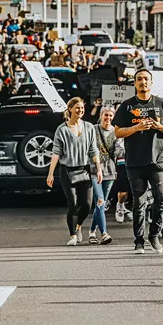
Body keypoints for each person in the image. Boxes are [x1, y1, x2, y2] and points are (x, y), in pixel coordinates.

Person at [113, 69, 163, 254]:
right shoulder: (126, 106)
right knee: (139, 203)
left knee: (161, 197)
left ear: (151, 82)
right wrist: (136, 127)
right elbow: (117, 132)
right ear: (134, 83)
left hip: (157, 161)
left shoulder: (161, 103)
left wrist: (159, 126)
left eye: (146, 79)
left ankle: (154, 235)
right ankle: (139, 240)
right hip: (134, 162)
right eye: (139, 79)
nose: (143, 82)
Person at [47, 97, 103, 246]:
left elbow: (93, 150)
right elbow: (56, 152)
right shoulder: (62, 129)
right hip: (67, 170)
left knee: (86, 204)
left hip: (85, 169)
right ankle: (72, 235)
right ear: (70, 109)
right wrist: (50, 173)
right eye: (77, 108)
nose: (80, 110)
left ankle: (78, 226)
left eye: (82, 108)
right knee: (73, 203)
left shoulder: (89, 127)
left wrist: (98, 169)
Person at [87, 107, 118, 245]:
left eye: (111, 115)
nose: (108, 118)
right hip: (94, 170)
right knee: (99, 201)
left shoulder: (115, 131)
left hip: (109, 171)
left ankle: (92, 231)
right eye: (106, 115)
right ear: (101, 115)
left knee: (102, 204)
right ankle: (104, 233)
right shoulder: (93, 129)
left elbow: (119, 149)